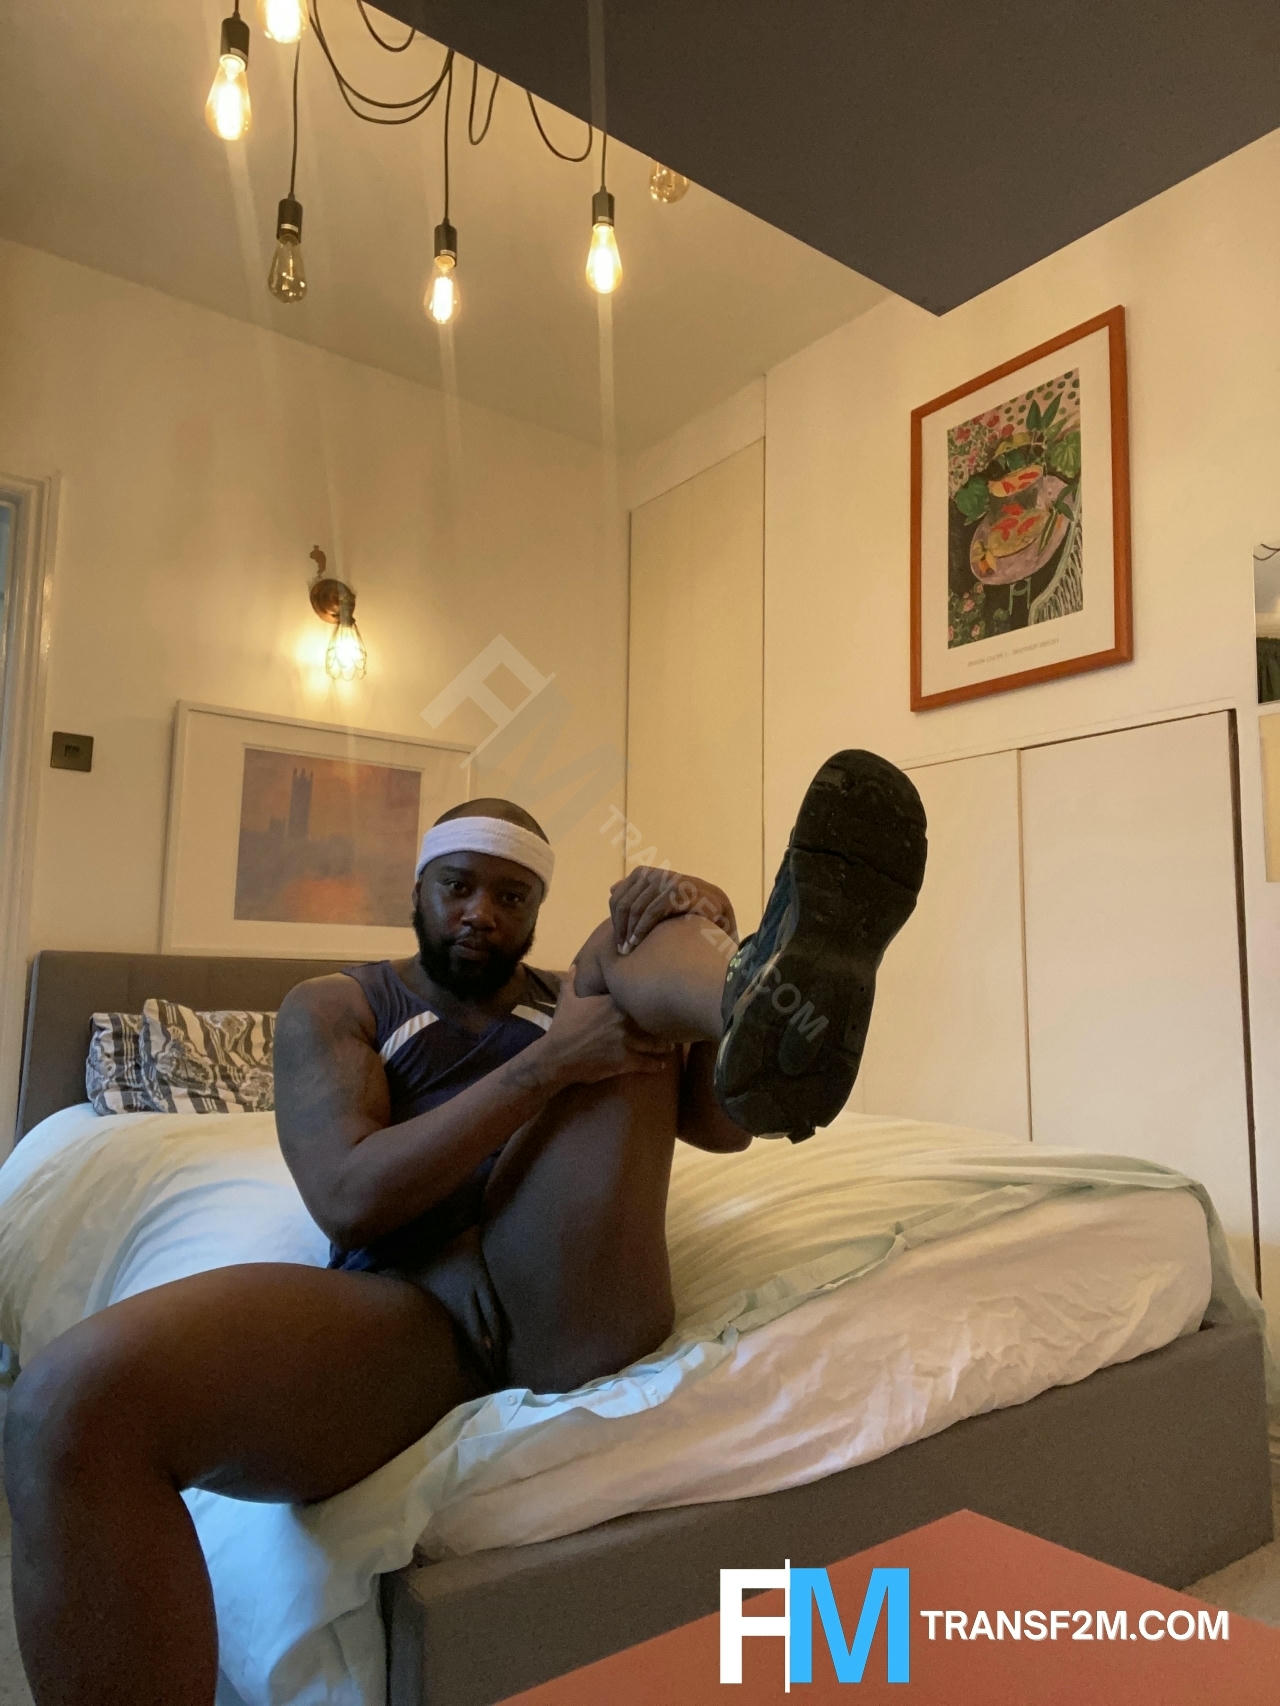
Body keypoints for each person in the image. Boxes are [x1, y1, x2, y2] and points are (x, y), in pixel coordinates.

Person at [3, 748, 926, 1706]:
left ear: (535, 909)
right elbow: (347, 1197)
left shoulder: (581, 991)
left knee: (630, 933)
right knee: (64, 1407)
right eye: (458, 887)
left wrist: (699, 915)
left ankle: (751, 991)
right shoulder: (340, 1004)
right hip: (406, 1319)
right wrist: (549, 1066)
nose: (481, 912)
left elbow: (725, 1128)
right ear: (418, 889)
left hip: (571, 1287)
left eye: (511, 896)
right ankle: (751, 987)